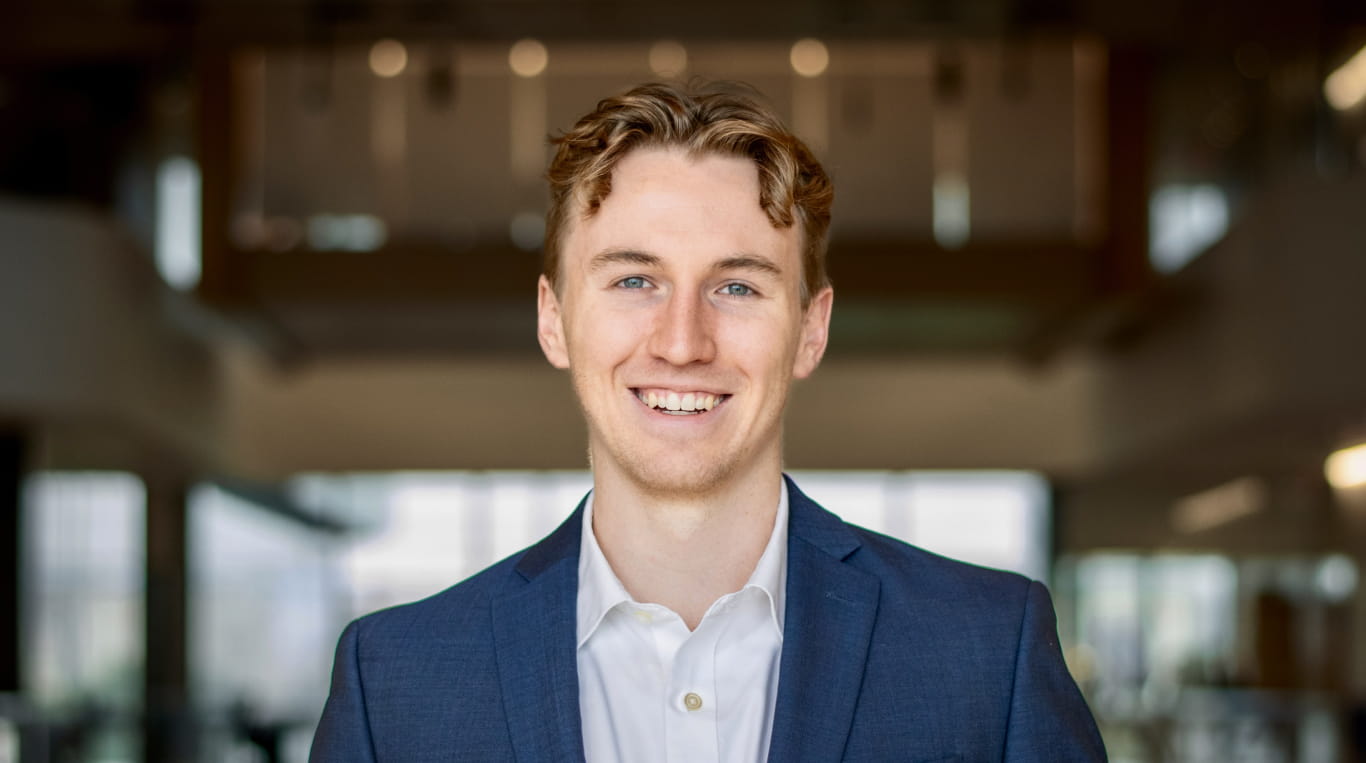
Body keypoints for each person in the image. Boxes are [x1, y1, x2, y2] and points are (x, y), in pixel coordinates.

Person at [310, 81, 1107, 762]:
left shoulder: (987, 651)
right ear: (554, 319)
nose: (683, 342)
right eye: (632, 280)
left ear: (811, 328)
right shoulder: (394, 684)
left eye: (737, 287)